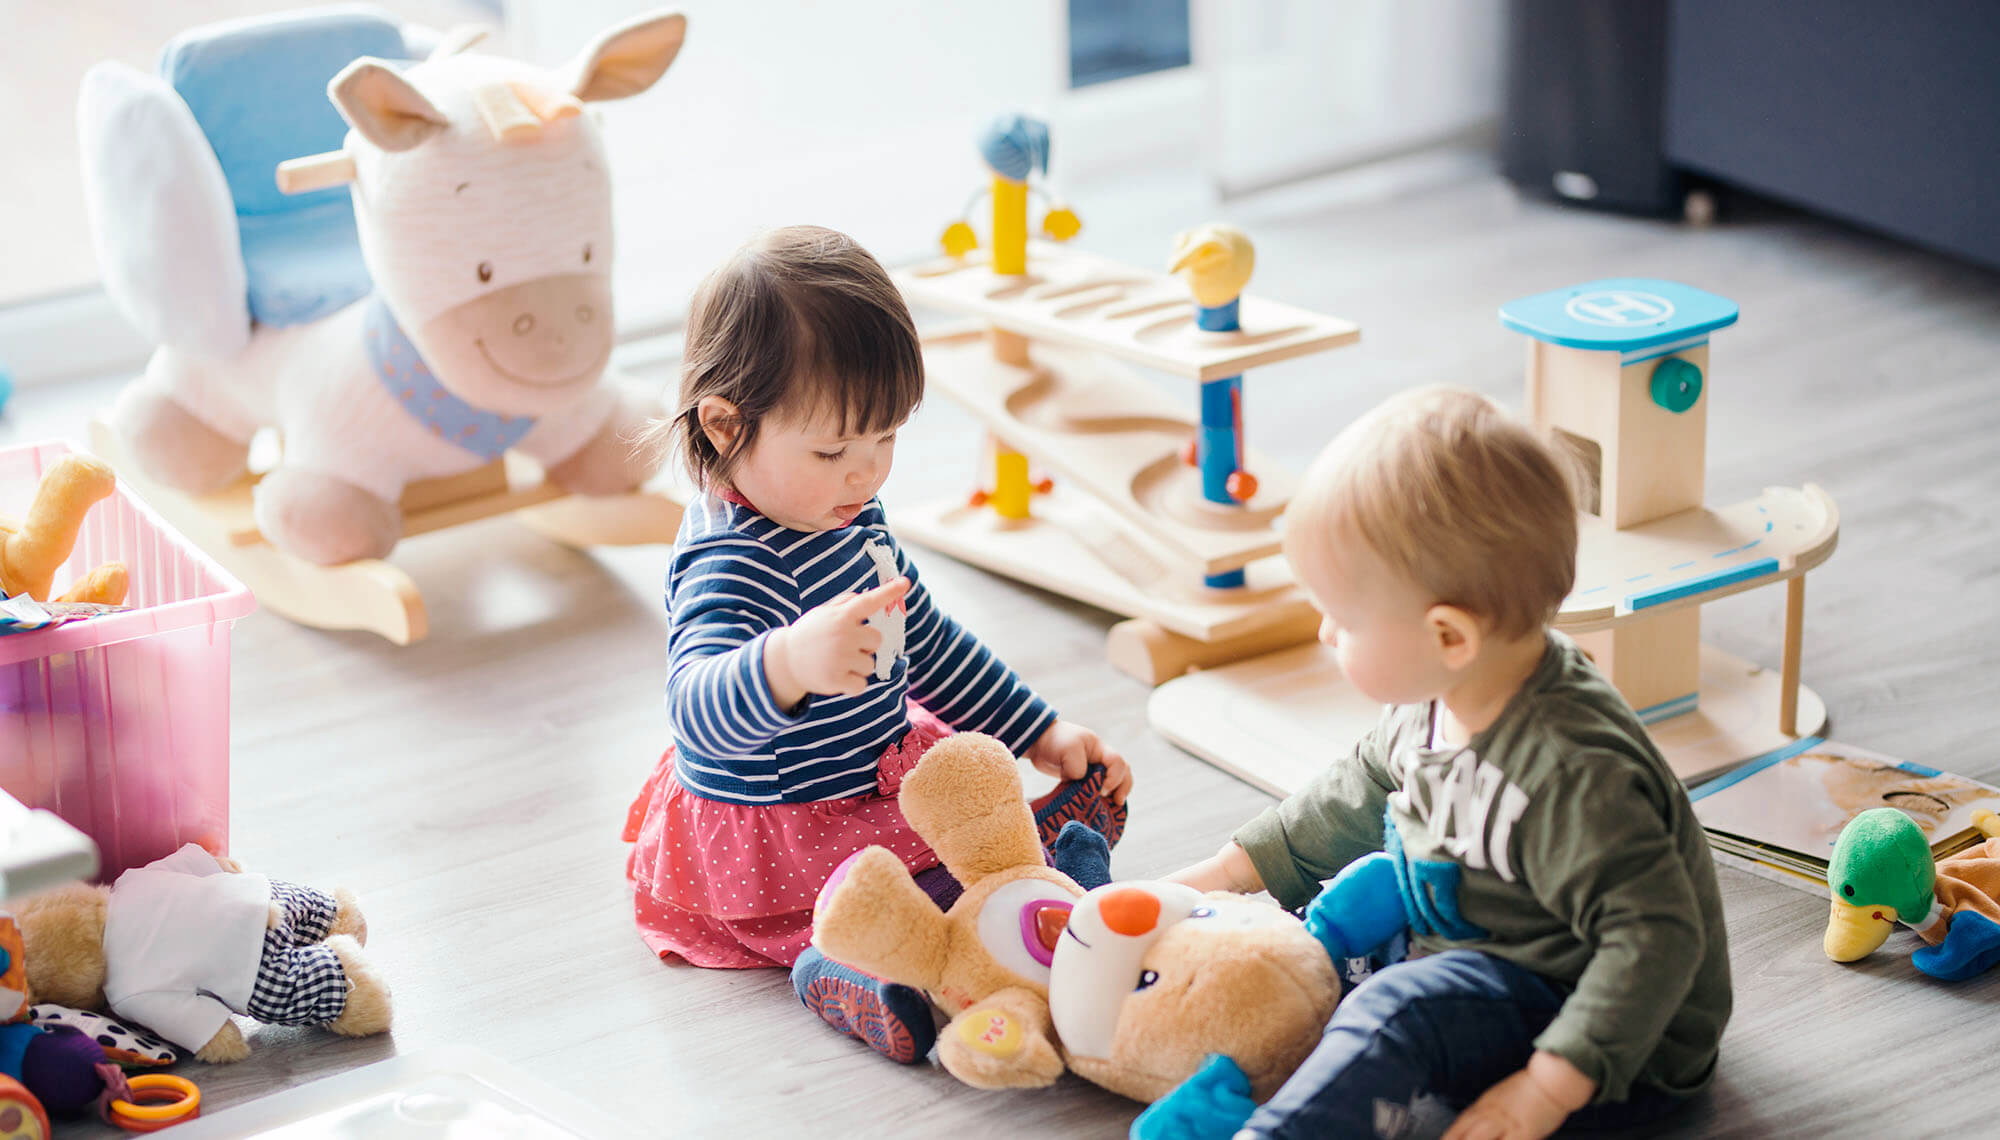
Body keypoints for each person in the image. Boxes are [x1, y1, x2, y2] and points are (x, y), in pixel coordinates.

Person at [1156, 387, 1730, 1140]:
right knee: (1326, 929)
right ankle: (1217, 1042)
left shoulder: (1572, 774)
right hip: (1480, 938)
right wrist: (1219, 876)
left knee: (1394, 1012)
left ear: (1449, 636)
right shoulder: (1443, 690)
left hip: (1611, 1037)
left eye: (1345, 618)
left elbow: (1656, 941)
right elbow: (1359, 787)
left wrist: (1544, 1090)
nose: (1326, 632)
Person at [622, 225, 1131, 1063]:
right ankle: (847, 973)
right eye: (832, 449)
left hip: (874, 771)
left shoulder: (846, 513)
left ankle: (1035, 869)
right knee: (883, 904)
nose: (866, 475)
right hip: (783, 826)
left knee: (963, 815)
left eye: (886, 439)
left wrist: (1039, 730)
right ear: (723, 426)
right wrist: (787, 663)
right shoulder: (730, 562)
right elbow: (695, 713)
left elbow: (924, 641)